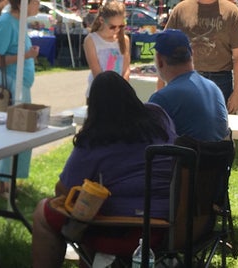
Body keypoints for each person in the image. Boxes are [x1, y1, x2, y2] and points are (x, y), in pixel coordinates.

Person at [31, 71, 178, 268]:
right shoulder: (159, 116)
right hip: (172, 226)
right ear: (131, 95)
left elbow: (64, 191)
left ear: (94, 108)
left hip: (119, 229)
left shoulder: (94, 138)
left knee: (44, 211)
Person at [157, 0, 238, 114]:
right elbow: (165, 49)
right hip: (185, 78)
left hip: (221, 80)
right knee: (184, 125)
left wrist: (237, 93)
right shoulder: (181, 9)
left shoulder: (231, 12)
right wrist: (160, 89)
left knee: (218, 127)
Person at [0, 0, 41, 196]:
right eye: (35, 2)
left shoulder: (18, 21)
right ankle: (2, 184)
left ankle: (11, 182)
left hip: (19, 86)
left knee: (21, 133)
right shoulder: (5, 22)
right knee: (9, 134)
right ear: (23, 3)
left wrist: (27, 56)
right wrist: (25, 56)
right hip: (10, 87)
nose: (38, 6)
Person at [148, 29, 228, 142]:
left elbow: (147, 142)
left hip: (185, 158)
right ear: (192, 54)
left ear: (160, 60)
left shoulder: (162, 98)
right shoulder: (214, 88)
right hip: (219, 158)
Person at [83, 1, 131, 98]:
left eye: (121, 26)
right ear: (101, 20)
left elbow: (126, 69)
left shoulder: (124, 40)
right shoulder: (91, 40)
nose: (117, 30)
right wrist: (110, 92)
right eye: (112, 27)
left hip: (120, 94)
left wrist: (122, 88)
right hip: (99, 94)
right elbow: (96, 71)